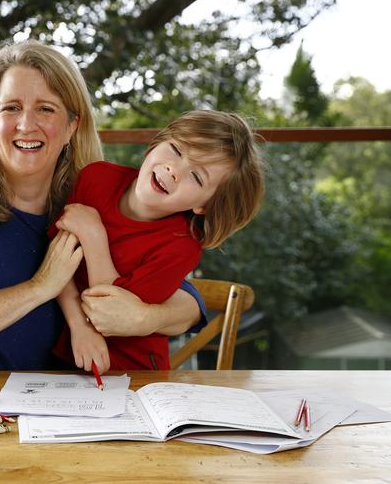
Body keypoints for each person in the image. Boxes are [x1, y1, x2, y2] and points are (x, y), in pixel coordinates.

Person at [0, 40, 205, 371]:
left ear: (71, 127)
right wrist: (40, 287)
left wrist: (146, 316)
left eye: (45, 109)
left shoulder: (88, 204)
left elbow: (186, 301)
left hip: (42, 407)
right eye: (11, 108)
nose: (26, 124)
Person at [51, 110, 265, 373]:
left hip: (133, 373)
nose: (174, 170)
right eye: (176, 149)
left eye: (196, 177)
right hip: (63, 359)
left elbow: (111, 312)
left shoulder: (180, 247)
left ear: (205, 206)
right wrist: (77, 325)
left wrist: (94, 236)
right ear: (156, 143)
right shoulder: (96, 178)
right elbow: (56, 265)